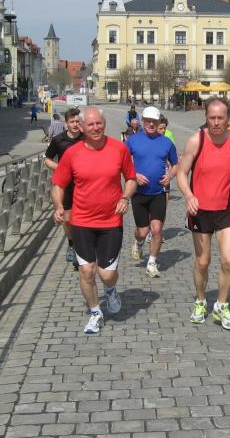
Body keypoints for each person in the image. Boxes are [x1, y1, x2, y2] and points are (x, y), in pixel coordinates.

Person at [51, 107, 137, 334]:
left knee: (106, 274)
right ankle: (96, 312)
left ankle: (110, 290)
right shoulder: (72, 153)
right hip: (82, 222)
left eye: (99, 123)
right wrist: (59, 206)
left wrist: (125, 197)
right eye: (90, 124)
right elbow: (58, 184)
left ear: (104, 124)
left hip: (111, 221)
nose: (95, 128)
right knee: (87, 271)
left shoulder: (119, 149)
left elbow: (131, 178)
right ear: (81, 127)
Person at [176, 96, 230, 330]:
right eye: (212, 118)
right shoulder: (196, 141)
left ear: (228, 118)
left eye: (221, 117)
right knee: (203, 262)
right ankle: (201, 301)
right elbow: (181, 172)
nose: (216, 122)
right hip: (200, 211)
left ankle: (222, 304)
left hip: (227, 210)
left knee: (229, 260)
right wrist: (189, 196)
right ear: (206, 118)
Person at [126, 107, 179, 277]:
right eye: (148, 121)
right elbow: (122, 162)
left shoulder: (166, 142)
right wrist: (134, 175)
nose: (151, 124)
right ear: (142, 121)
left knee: (156, 230)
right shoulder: (133, 140)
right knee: (143, 231)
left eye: (154, 121)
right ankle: (138, 242)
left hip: (158, 193)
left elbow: (176, 164)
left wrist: (170, 175)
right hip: (139, 193)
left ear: (159, 122)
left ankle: (152, 263)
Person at [44, 108, 83, 269]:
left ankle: (82, 249)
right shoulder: (58, 140)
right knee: (67, 218)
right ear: (66, 123)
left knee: (82, 218)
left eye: (78, 121)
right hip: (66, 184)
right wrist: (60, 168)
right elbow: (47, 159)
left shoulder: (86, 138)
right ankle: (72, 243)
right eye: (72, 122)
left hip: (83, 184)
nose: (75, 124)